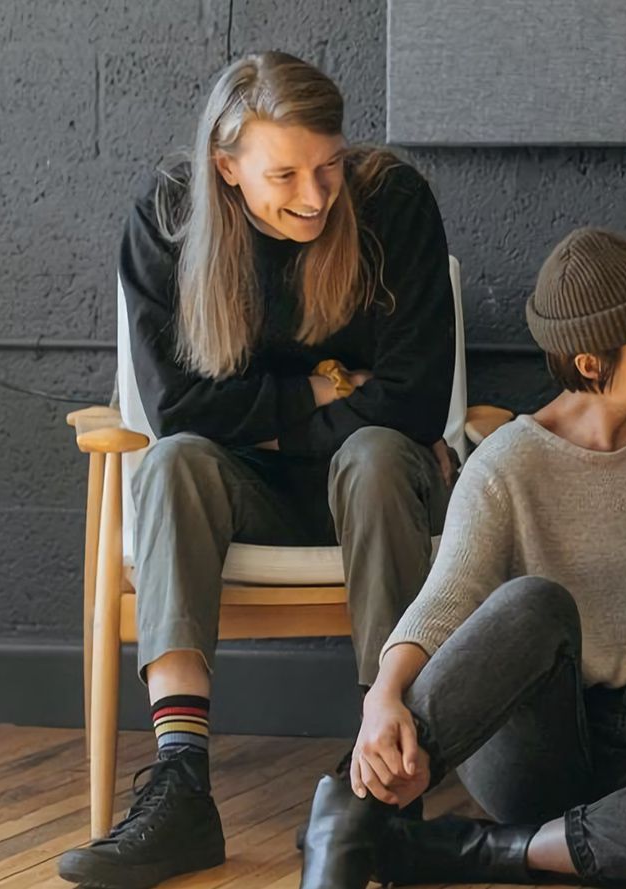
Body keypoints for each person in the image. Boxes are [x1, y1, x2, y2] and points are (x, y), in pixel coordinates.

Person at [56, 51, 456, 889]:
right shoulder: (168, 217)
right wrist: (324, 389)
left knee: (379, 453)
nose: (316, 196)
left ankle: (384, 776)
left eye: (329, 166)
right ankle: (181, 783)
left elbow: (414, 406)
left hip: (381, 490)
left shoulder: (394, 204)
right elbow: (173, 410)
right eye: (286, 174)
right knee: (170, 465)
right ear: (226, 166)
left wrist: (262, 417)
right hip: (244, 497)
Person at [295, 228, 626, 889]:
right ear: (592, 363)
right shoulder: (508, 463)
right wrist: (383, 697)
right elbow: (445, 600)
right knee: (533, 603)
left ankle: (476, 850)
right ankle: (352, 816)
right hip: (536, 746)